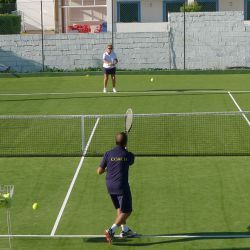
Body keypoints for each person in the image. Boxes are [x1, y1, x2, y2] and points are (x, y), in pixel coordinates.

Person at [96, 132, 137, 244]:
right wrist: (126, 151)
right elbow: (131, 161)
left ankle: (125, 230)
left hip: (109, 185)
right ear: (125, 142)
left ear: (115, 141)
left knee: (119, 208)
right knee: (127, 210)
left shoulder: (108, 153)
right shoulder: (128, 155)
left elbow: (99, 171)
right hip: (121, 185)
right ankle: (111, 230)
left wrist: (107, 168)